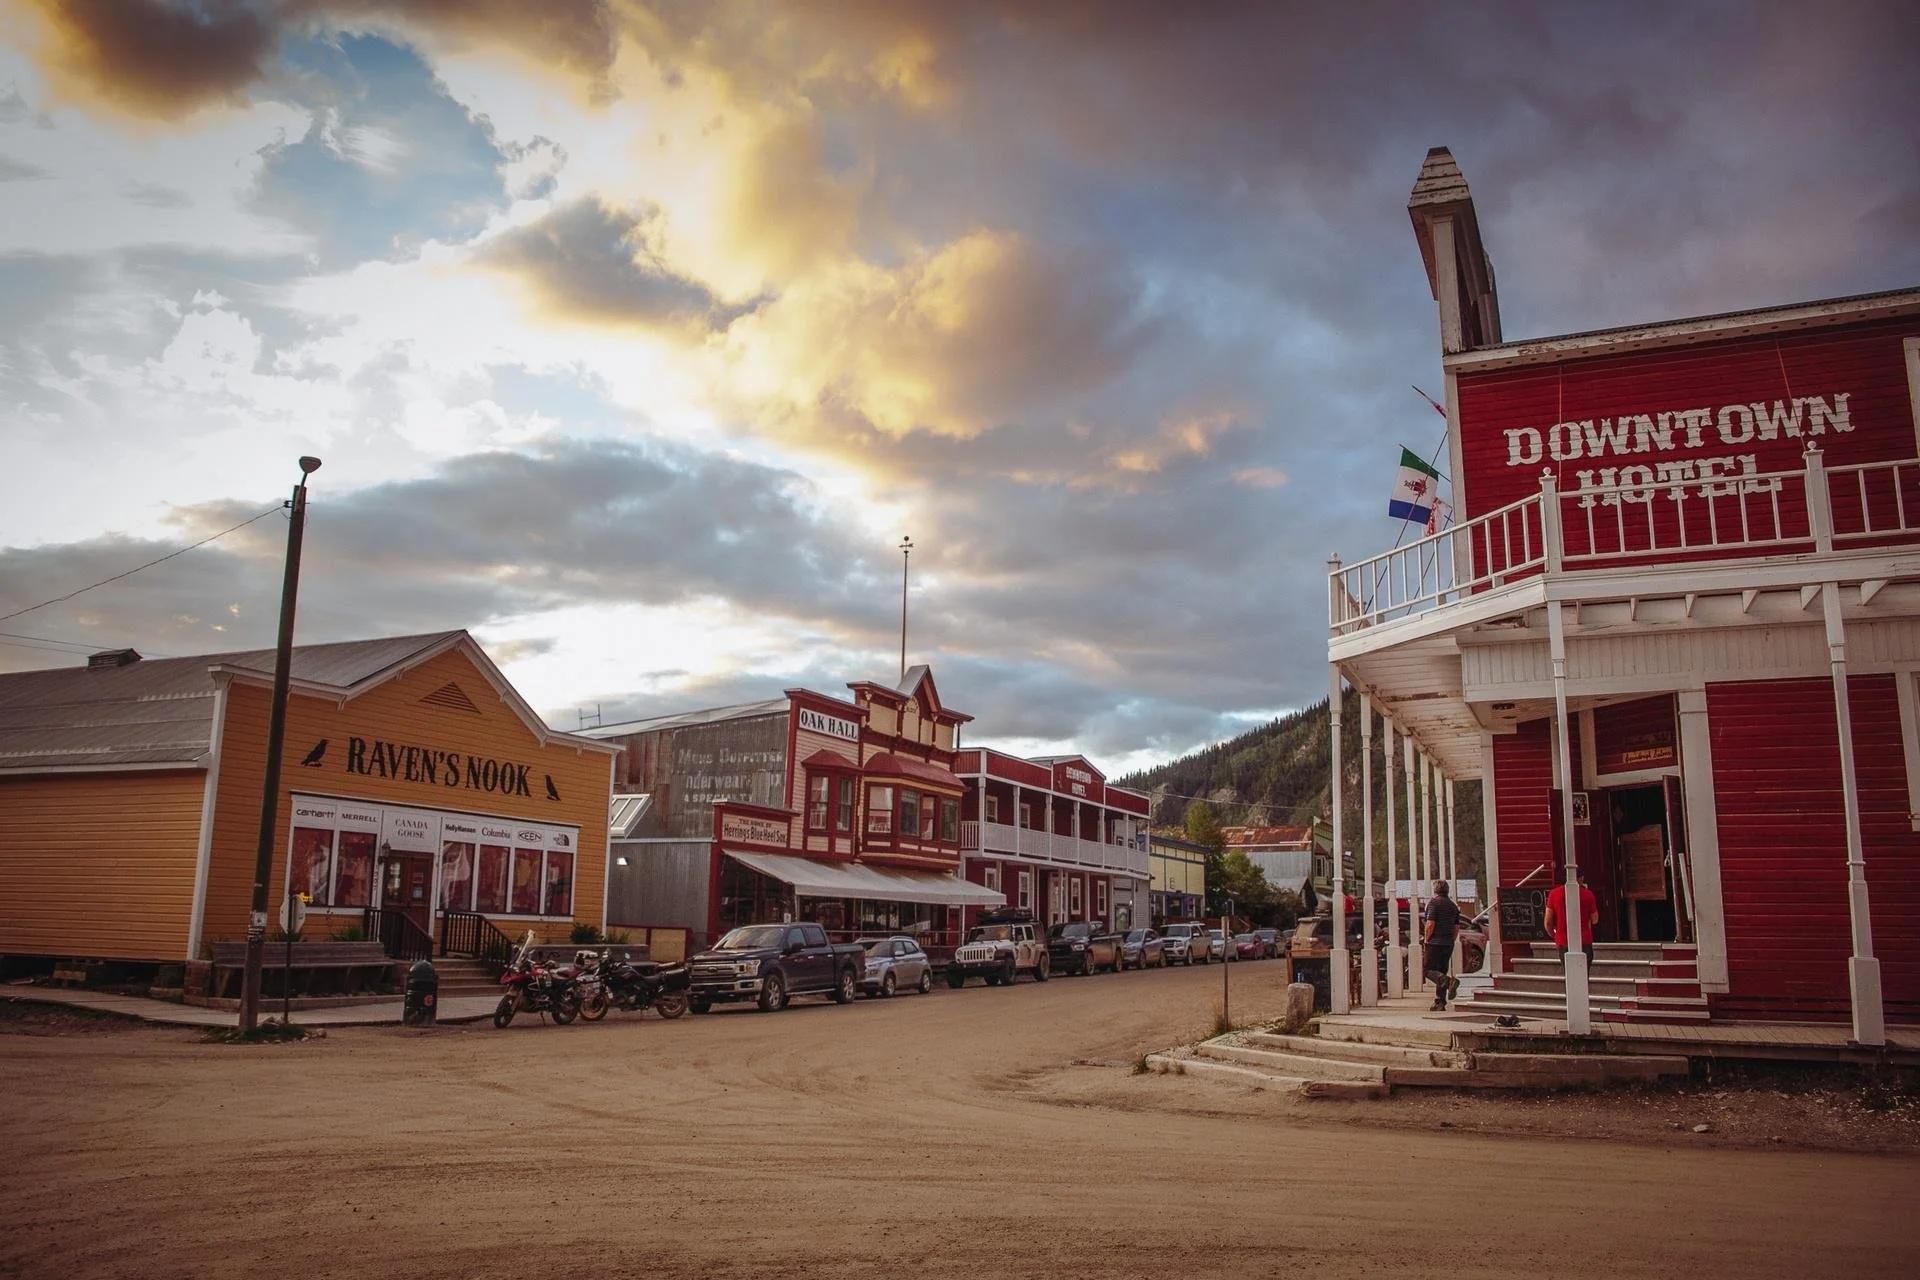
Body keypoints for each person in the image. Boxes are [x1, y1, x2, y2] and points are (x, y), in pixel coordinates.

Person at [1421, 879, 1461, 1010]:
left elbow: (1430, 923)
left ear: (1435, 890)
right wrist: (1452, 940)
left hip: (1435, 942)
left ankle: (1449, 981)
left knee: (1427, 970)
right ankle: (1440, 1002)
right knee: (1441, 971)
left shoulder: (1433, 903)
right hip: (1448, 943)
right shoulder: (1453, 906)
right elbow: (1456, 927)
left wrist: (1427, 938)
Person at [1544, 872, 1600, 966]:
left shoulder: (1554, 894)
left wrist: (1555, 935)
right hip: (1584, 940)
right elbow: (1595, 919)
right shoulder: (1588, 894)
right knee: (1583, 975)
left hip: (1563, 940)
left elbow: (1548, 922)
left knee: (1569, 975)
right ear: (1581, 878)